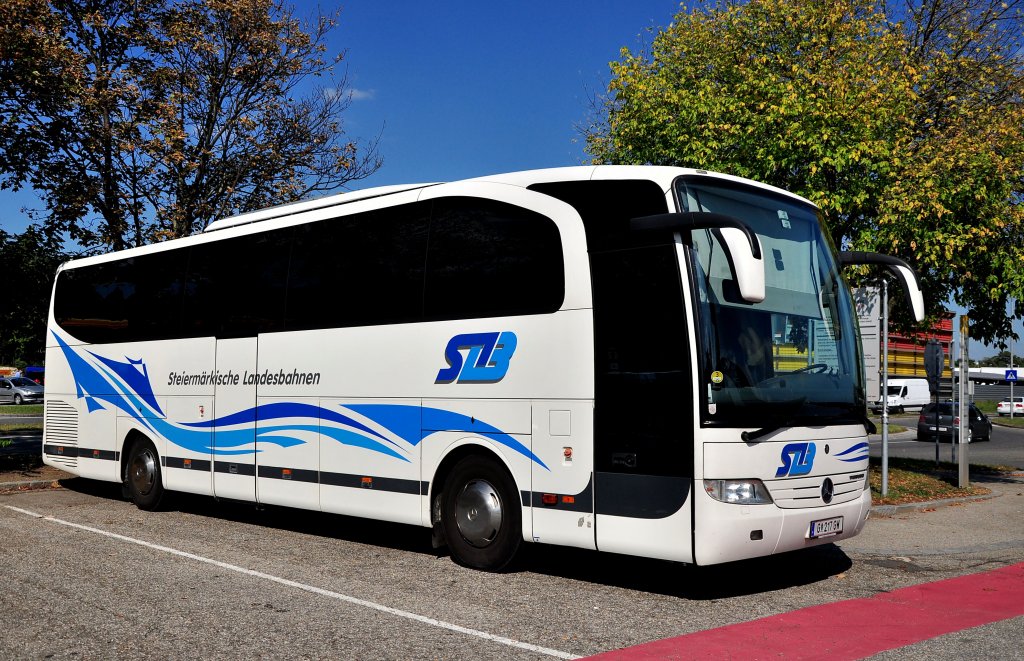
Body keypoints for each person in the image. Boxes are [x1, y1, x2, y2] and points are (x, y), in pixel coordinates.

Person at [718, 309, 774, 387]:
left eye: (746, 356)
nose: (747, 351)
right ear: (761, 339)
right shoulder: (751, 312)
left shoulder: (722, 347)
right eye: (753, 349)